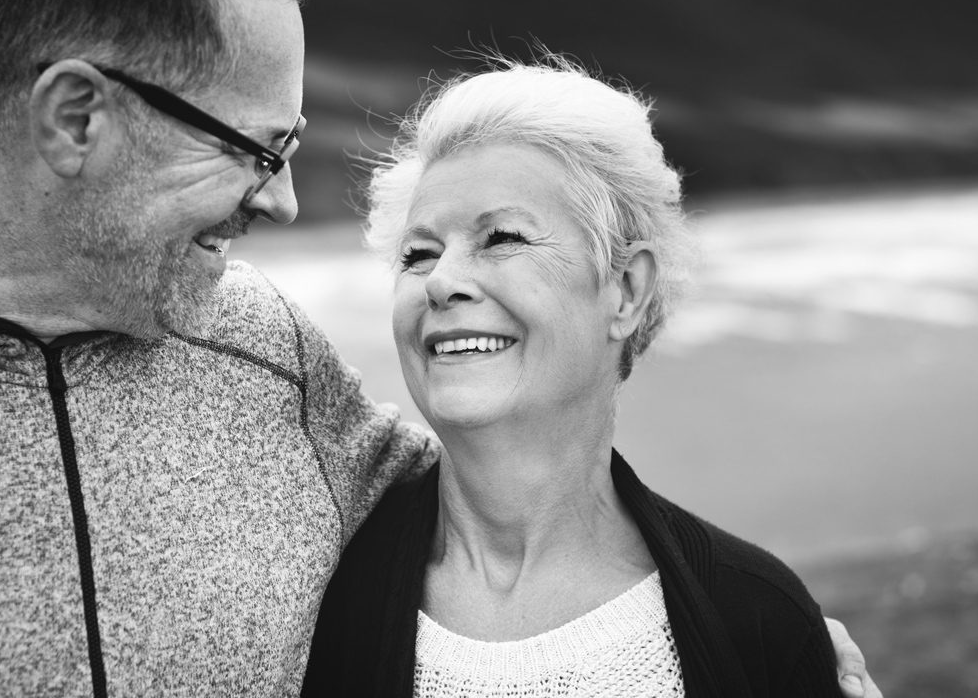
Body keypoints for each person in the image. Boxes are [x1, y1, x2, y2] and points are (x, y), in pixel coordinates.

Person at [0, 0, 878, 696]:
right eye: (256, 149)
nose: (275, 208)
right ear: (78, 117)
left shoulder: (260, 344)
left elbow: (492, 478)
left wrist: (746, 630)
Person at [303, 58, 867, 697]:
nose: (439, 280)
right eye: (418, 254)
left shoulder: (758, 619)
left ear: (626, 290)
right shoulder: (314, 591)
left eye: (502, 238)